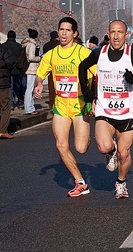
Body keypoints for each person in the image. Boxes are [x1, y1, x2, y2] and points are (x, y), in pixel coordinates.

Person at [79, 19, 133, 199]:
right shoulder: (99, 53)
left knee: (124, 153)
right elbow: (82, 67)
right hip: (105, 111)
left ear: (126, 35)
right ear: (108, 34)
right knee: (104, 147)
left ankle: (121, 182)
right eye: (113, 32)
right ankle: (111, 152)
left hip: (127, 112)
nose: (116, 36)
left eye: (120, 32)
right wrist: (88, 93)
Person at [34, 17, 95, 197]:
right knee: (61, 145)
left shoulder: (83, 53)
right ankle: (80, 182)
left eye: (68, 30)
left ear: (74, 34)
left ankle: (103, 143)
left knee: (81, 148)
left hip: (80, 104)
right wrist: (38, 84)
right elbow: (40, 74)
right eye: (61, 29)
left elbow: (97, 74)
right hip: (61, 105)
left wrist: (94, 98)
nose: (63, 33)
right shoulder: (52, 54)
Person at [2, 30, 24, 110]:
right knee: (19, 86)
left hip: (7, 70)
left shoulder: (3, 46)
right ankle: (20, 101)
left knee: (9, 87)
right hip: (17, 69)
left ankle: (11, 103)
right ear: (15, 36)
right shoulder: (18, 46)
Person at [23, 28, 41, 115]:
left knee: (29, 89)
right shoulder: (32, 45)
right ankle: (29, 108)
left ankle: (30, 107)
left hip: (29, 69)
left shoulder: (27, 44)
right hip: (31, 69)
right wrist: (39, 58)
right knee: (29, 89)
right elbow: (31, 57)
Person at [42, 30, 60, 109]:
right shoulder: (59, 46)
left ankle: (51, 102)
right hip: (58, 68)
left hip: (49, 67)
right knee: (58, 85)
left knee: (51, 85)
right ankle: (57, 101)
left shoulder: (46, 46)